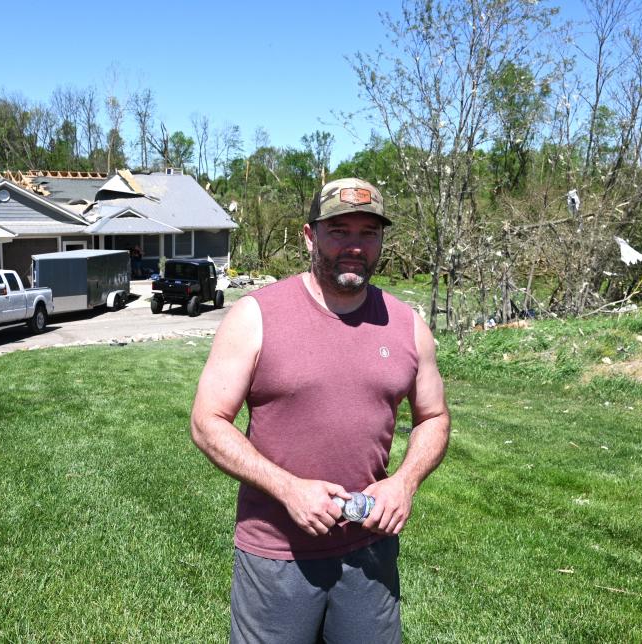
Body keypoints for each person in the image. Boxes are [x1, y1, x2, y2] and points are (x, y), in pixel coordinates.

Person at [191, 178, 451, 643]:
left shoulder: (407, 324)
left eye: (368, 233)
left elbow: (434, 417)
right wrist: (288, 489)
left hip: (369, 553)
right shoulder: (256, 315)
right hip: (276, 554)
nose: (355, 246)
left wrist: (404, 483)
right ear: (309, 236)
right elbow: (207, 422)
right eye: (339, 231)